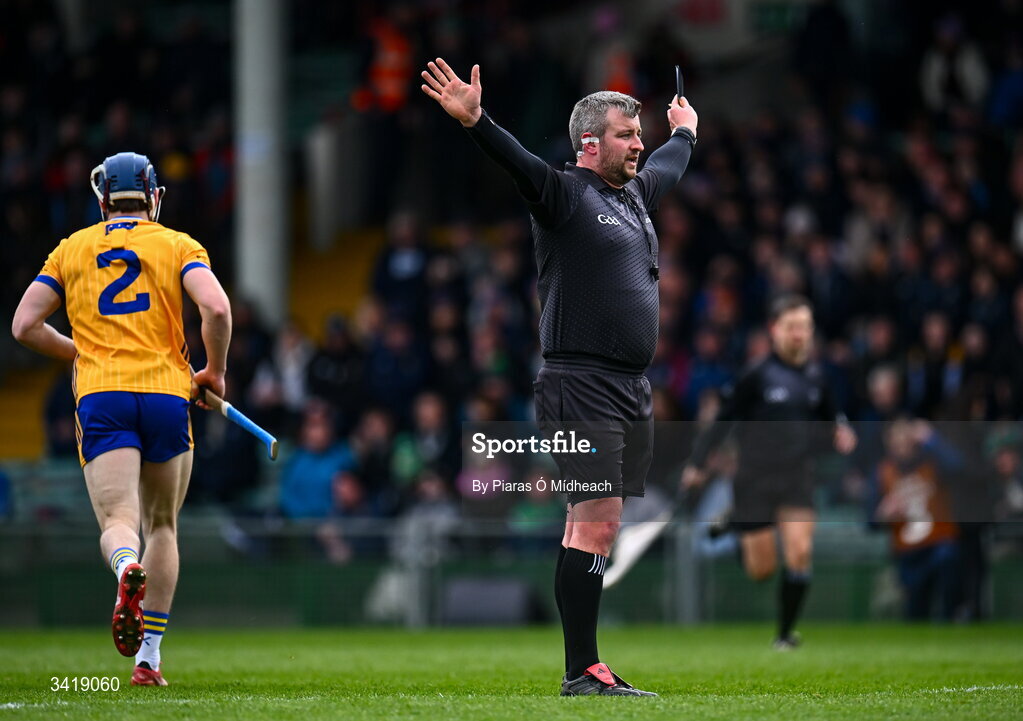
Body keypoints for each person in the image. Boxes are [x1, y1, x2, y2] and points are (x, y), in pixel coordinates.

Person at [422, 57, 697, 696]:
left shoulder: (634, 195)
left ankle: (584, 668)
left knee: (595, 525)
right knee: (593, 523)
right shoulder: (564, 195)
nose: (639, 145)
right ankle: (583, 669)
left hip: (630, 387)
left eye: (640, 133)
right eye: (627, 135)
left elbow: (668, 166)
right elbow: (519, 163)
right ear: (590, 143)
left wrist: (683, 131)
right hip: (582, 380)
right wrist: (477, 121)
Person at [11, 152, 231, 686]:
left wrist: (79, 352)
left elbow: (23, 326)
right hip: (166, 393)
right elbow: (218, 310)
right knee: (163, 523)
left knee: (118, 522)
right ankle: (149, 657)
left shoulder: (71, 249)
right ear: (153, 196)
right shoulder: (179, 244)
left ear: (103, 198)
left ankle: (124, 566)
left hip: (102, 395)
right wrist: (214, 374)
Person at [682, 295, 857, 649]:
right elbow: (723, 420)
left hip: (797, 478)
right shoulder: (756, 375)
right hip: (754, 481)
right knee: (761, 570)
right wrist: (698, 464)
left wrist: (842, 431)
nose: (799, 334)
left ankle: (784, 635)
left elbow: (832, 417)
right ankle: (733, 522)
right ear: (775, 330)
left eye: (805, 327)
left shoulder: (817, 377)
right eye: (792, 327)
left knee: (800, 552)